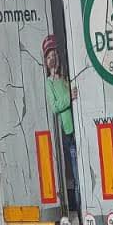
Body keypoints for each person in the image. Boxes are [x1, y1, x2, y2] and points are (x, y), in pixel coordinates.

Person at [42, 34, 79, 208]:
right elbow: (55, 106)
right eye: (49, 57)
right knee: (77, 173)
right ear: (46, 61)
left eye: (54, 55)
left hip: (79, 126)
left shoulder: (66, 77)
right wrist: (69, 98)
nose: (52, 59)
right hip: (69, 131)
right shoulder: (49, 83)